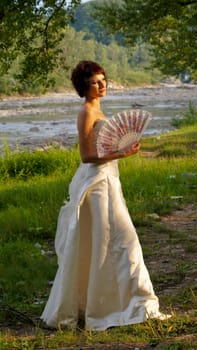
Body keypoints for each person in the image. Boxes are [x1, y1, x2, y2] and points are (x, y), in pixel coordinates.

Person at [41, 60, 171, 331]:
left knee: (108, 242)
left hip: (109, 180)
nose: (102, 86)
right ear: (83, 87)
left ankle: (118, 303)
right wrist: (120, 153)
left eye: (103, 80)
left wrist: (120, 151)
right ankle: (120, 305)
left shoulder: (98, 108)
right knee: (115, 241)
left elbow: (102, 148)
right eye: (95, 82)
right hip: (97, 185)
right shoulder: (87, 111)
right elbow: (87, 156)